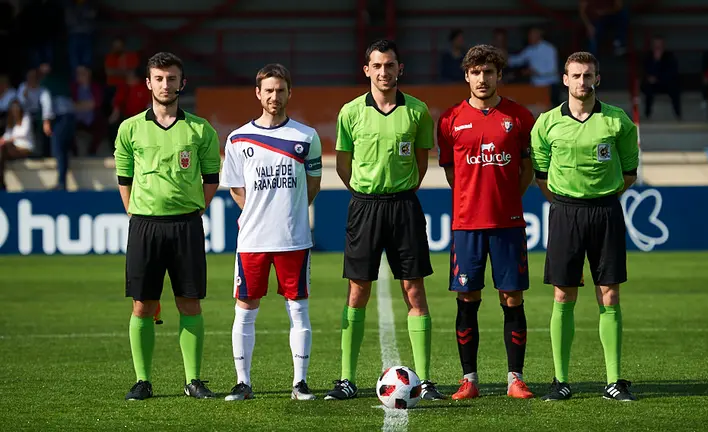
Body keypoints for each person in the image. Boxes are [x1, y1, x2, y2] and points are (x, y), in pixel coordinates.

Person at [325, 39, 444, 401]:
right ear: (366, 70)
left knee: (414, 290)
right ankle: (346, 378)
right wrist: (365, 193)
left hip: (404, 207)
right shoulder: (350, 112)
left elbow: (422, 164)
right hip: (364, 207)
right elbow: (343, 165)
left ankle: (422, 381)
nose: (383, 72)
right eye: (377, 66)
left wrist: (398, 191)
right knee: (358, 291)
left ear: (399, 69)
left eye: (389, 65)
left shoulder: (418, 112)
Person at [530, 51, 639, 402]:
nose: (582, 82)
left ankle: (614, 381)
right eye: (576, 76)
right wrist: (566, 202)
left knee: (609, 294)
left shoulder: (618, 121)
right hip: (565, 213)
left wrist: (600, 197)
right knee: (563, 295)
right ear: (564, 79)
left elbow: (629, 172)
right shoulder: (546, 123)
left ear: (597, 79)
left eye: (588, 75)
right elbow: (541, 175)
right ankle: (560, 380)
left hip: (606, 212)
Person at [114, 52, 222, 401]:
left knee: (189, 303)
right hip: (145, 227)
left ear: (182, 82)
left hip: (185, 227)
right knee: (142, 305)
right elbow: (124, 178)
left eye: (171, 78)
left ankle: (193, 380)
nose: (165, 84)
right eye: (158, 78)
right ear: (148, 83)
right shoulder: (130, 128)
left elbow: (210, 179)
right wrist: (135, 213)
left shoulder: (200, 129)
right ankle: (142, 380)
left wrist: (192, 209)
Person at [436, 44, 536, 400]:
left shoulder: (520, 117)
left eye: (488, 72)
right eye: (476, 72)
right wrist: (472, 198)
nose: (482, 78)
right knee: (468, 298)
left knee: (512, 298)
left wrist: (507, 197)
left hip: (508, 224)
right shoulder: (449, 120)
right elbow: (451, 172)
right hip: (467, 225)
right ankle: (470, 380)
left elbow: (526, 169)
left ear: (499, 76)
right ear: (466, 76)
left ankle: (515, 379)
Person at [220, 63, 323, 401]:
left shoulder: (306, 137)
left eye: (280, 90)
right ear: (258, 93)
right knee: (245, 311)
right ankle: (243, 382)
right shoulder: (237, 139)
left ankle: (300, 383)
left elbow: (313, 185)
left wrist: (288, 212)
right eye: (268, 90)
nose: (274, 96)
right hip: (252, 240)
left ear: (289, 93)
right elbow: (236, 188)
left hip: (294, 239)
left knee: (299, 310)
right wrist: (260, 213)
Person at [0, 100, 34, 190]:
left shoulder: (26, 117)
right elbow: (7, 134)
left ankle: (1, 183)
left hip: (24, 148)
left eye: (16, 108)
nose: (15, 110)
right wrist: (2, 139)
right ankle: (1, 181)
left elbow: (24, 133)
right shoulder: (10, 121)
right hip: (12, 148)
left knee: (4, 148)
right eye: (13, 108)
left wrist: (8, 139)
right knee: (1, 150)